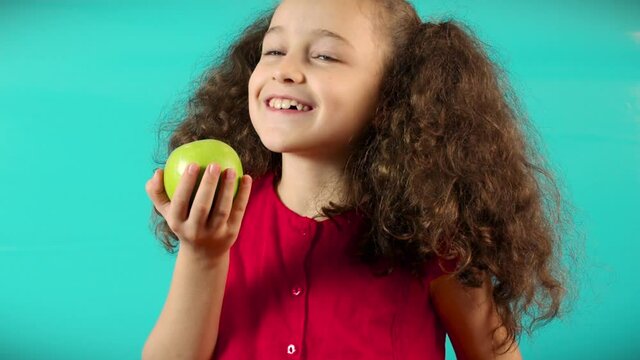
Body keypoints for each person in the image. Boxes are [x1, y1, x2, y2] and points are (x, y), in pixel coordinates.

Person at [143, 0, 575, 359]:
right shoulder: (225, 214)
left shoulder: (432, 234)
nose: (285, 70)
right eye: (273, 51)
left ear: (395, 94)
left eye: (325, 56)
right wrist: (202, 253)